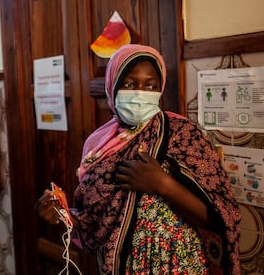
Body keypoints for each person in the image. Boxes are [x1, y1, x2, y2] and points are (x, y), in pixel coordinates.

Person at [36, 44, 241, 274]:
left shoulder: (184, 135)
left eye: (150, 85)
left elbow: (219, 217)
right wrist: (62, 214)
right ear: (111, 87)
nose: (140, 93)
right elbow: (94, 225)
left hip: (178, 266)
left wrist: (163, 184)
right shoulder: (98, 145)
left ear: (160, 88)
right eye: (129, 84)